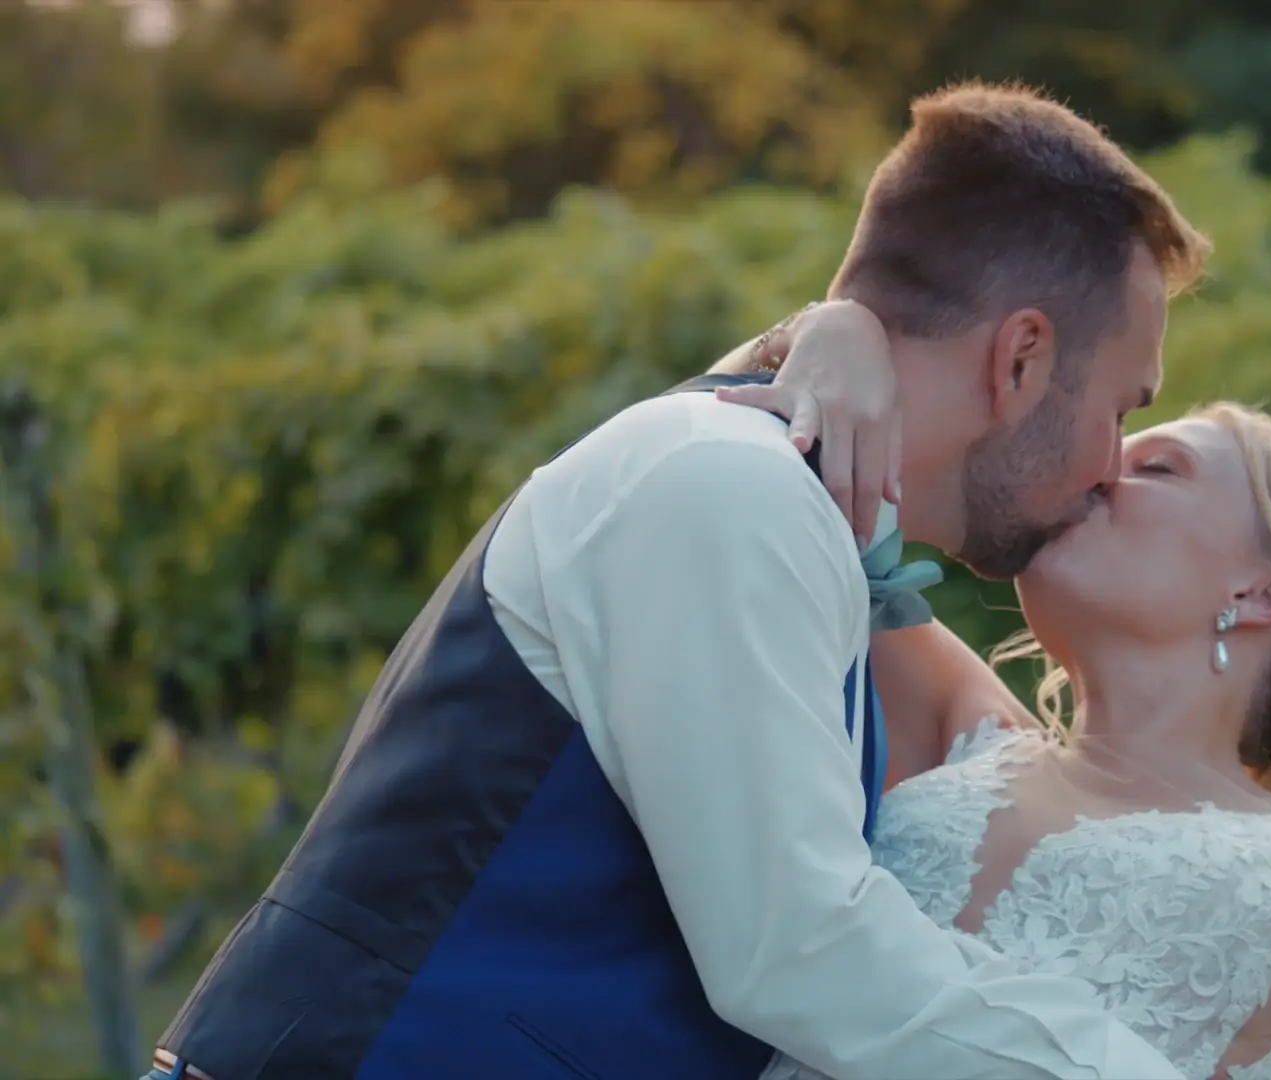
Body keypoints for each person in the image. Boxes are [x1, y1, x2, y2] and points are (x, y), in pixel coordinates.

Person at [146, 82, 1209, 1080]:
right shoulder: (728, 491)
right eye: (1121, 406)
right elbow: (800, 951)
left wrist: (823, 329)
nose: (1117, 460)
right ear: (1020, 359)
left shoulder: (787, 498)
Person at [728, 307, 1271, 1080]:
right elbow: (714, 469)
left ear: (1263, 589)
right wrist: (838, 328)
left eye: (1158, 466)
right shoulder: (965, 728)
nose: (1094, 468)